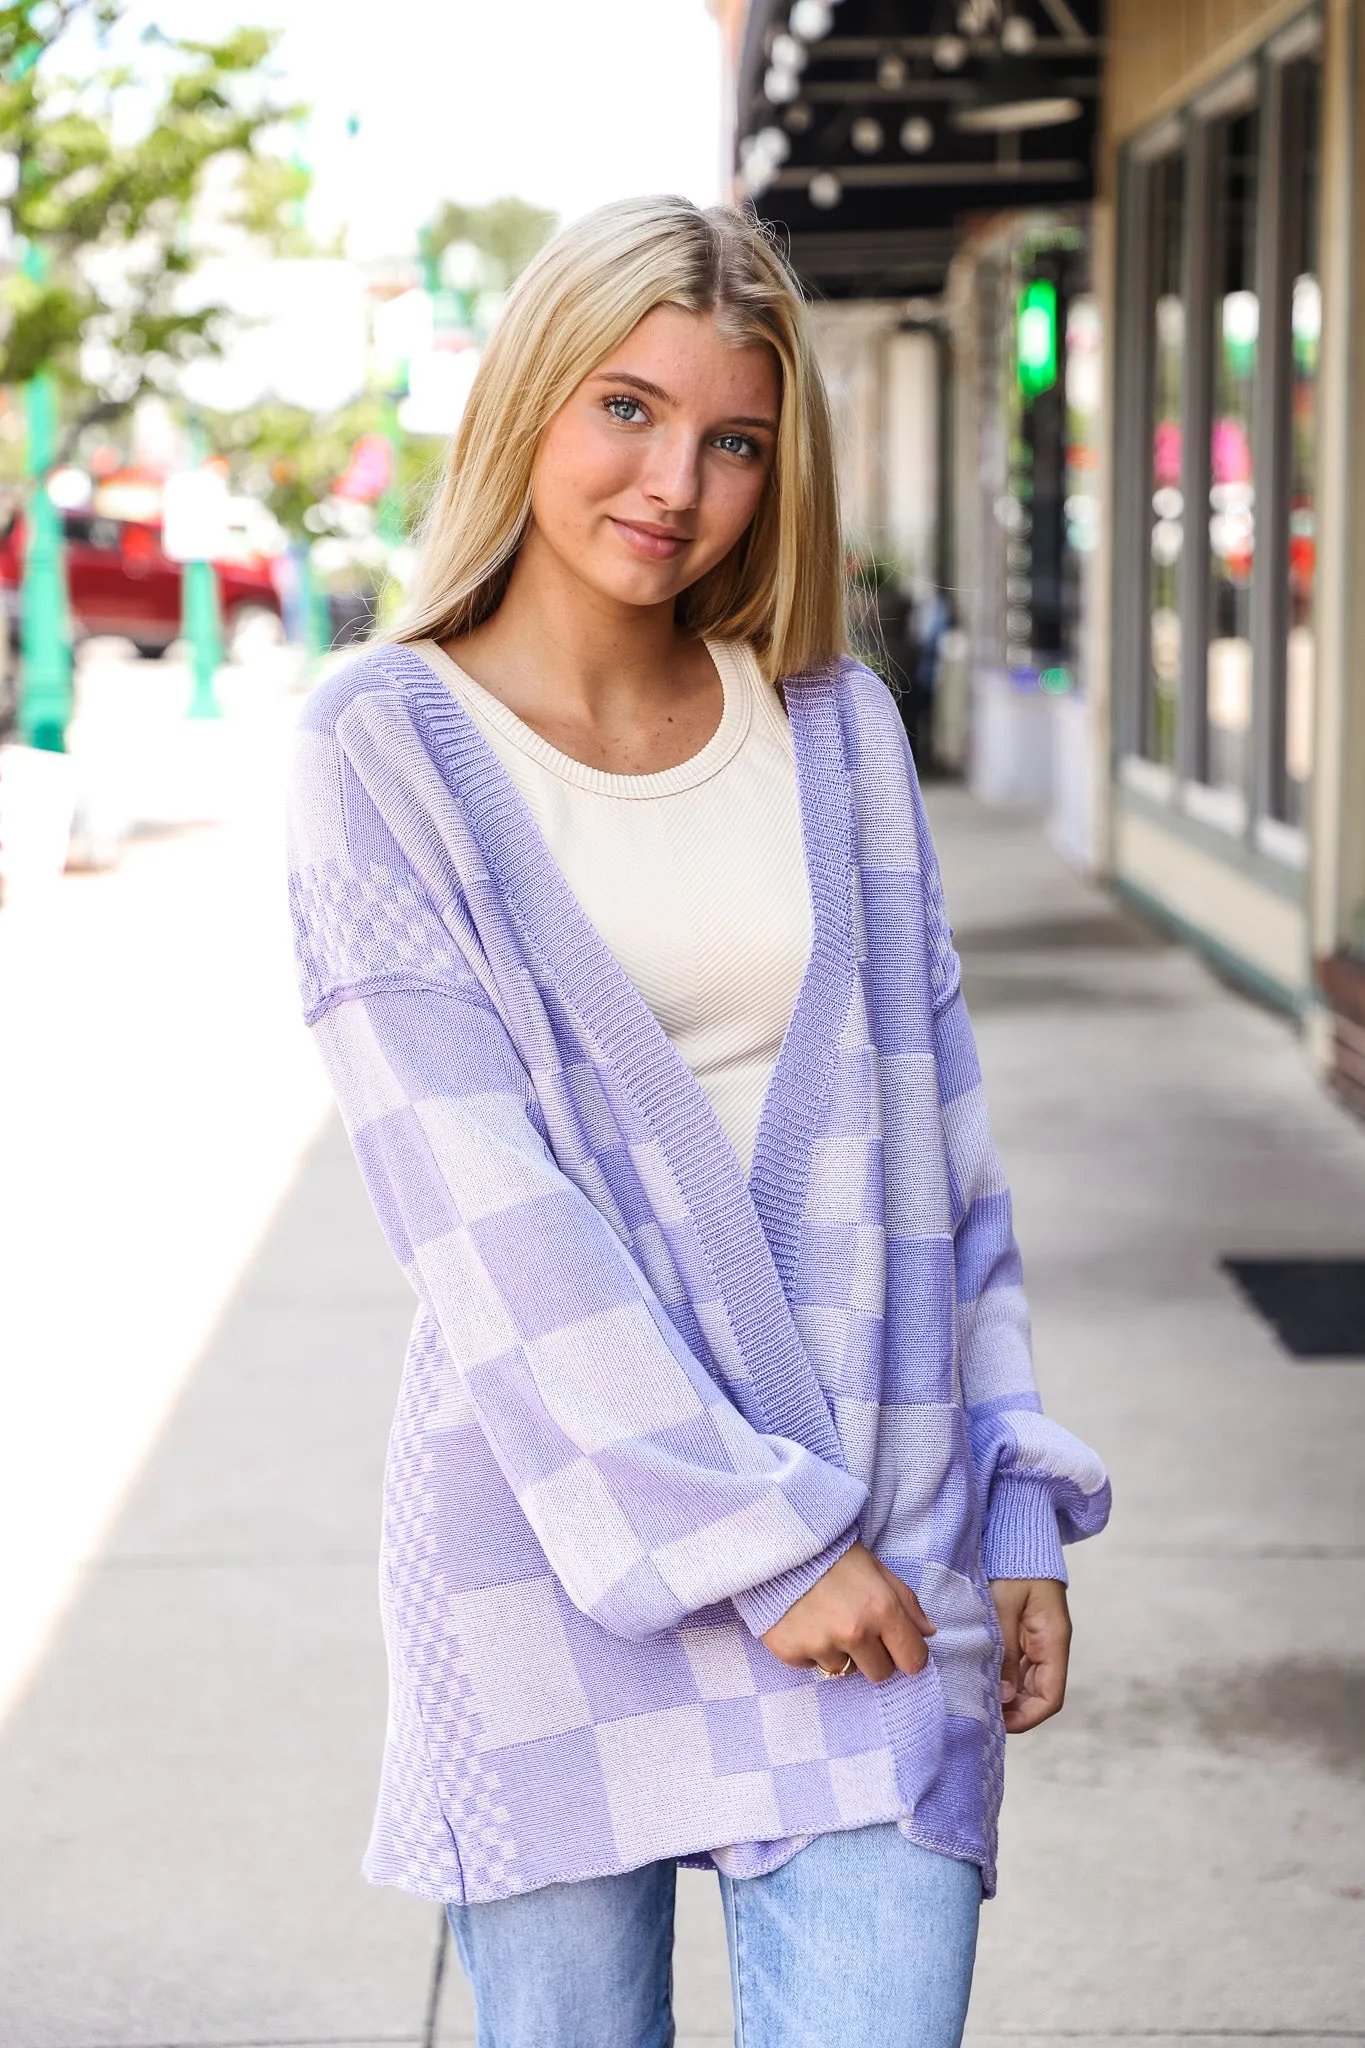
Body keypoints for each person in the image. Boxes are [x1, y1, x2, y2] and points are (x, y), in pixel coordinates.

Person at [286, 196, 1110, 2048]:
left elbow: (943, 1167)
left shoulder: (835, 730)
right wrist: (760, 1548)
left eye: (736, 439)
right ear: (525, 409)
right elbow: (484, 1211)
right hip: (563, 1552)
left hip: (884, 1552)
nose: (678, 481)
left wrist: (1018, 1499)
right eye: (626, 410)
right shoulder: (383, 748)